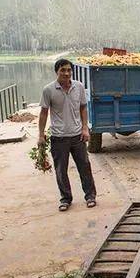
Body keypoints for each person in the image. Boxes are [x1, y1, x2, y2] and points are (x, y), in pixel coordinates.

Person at [38, 59, 97, 212]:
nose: (66, 73)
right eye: (63, 70)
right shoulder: (48, 90)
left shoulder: (79, 87)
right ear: (56, 72)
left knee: (85, 167)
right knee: (60, 170)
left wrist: (85, 128)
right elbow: (43, 113)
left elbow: (83, 107)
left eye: (69, 70)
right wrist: (41, 135)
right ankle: (66, 199)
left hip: (77, 136)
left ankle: (90, 196)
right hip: (59, 138)